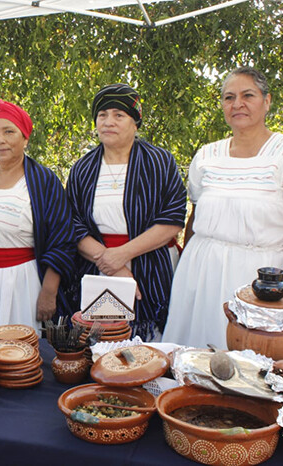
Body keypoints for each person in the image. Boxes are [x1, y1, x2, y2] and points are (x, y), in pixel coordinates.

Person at [163, 67, 283, 349]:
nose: (237, 104)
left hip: (260, 279)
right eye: (229, 97)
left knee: (249, 368)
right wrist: (183, 275)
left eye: (247, 95)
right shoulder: (207, 155)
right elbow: (195, 217)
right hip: (200, 273)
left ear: (267, 101)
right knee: (192, 359)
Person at [67, 84, 187, 341]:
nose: (109, 122)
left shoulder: (159, 161)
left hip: (151, 262)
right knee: (103, 343)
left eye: (119, 115)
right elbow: (73, 223)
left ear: (135, 122)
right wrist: (112, 264)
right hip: (98, 267)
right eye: (102, 115)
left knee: (149, 346)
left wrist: (123, 255)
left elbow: (174, 216)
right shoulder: (82, 168)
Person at [0, 99, 76, 330]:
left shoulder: (43, 181)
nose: (0, 140)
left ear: (25, 137)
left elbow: (63, 240)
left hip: (18, 284)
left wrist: (49, 293)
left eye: (9, 131)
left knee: (16, 355)